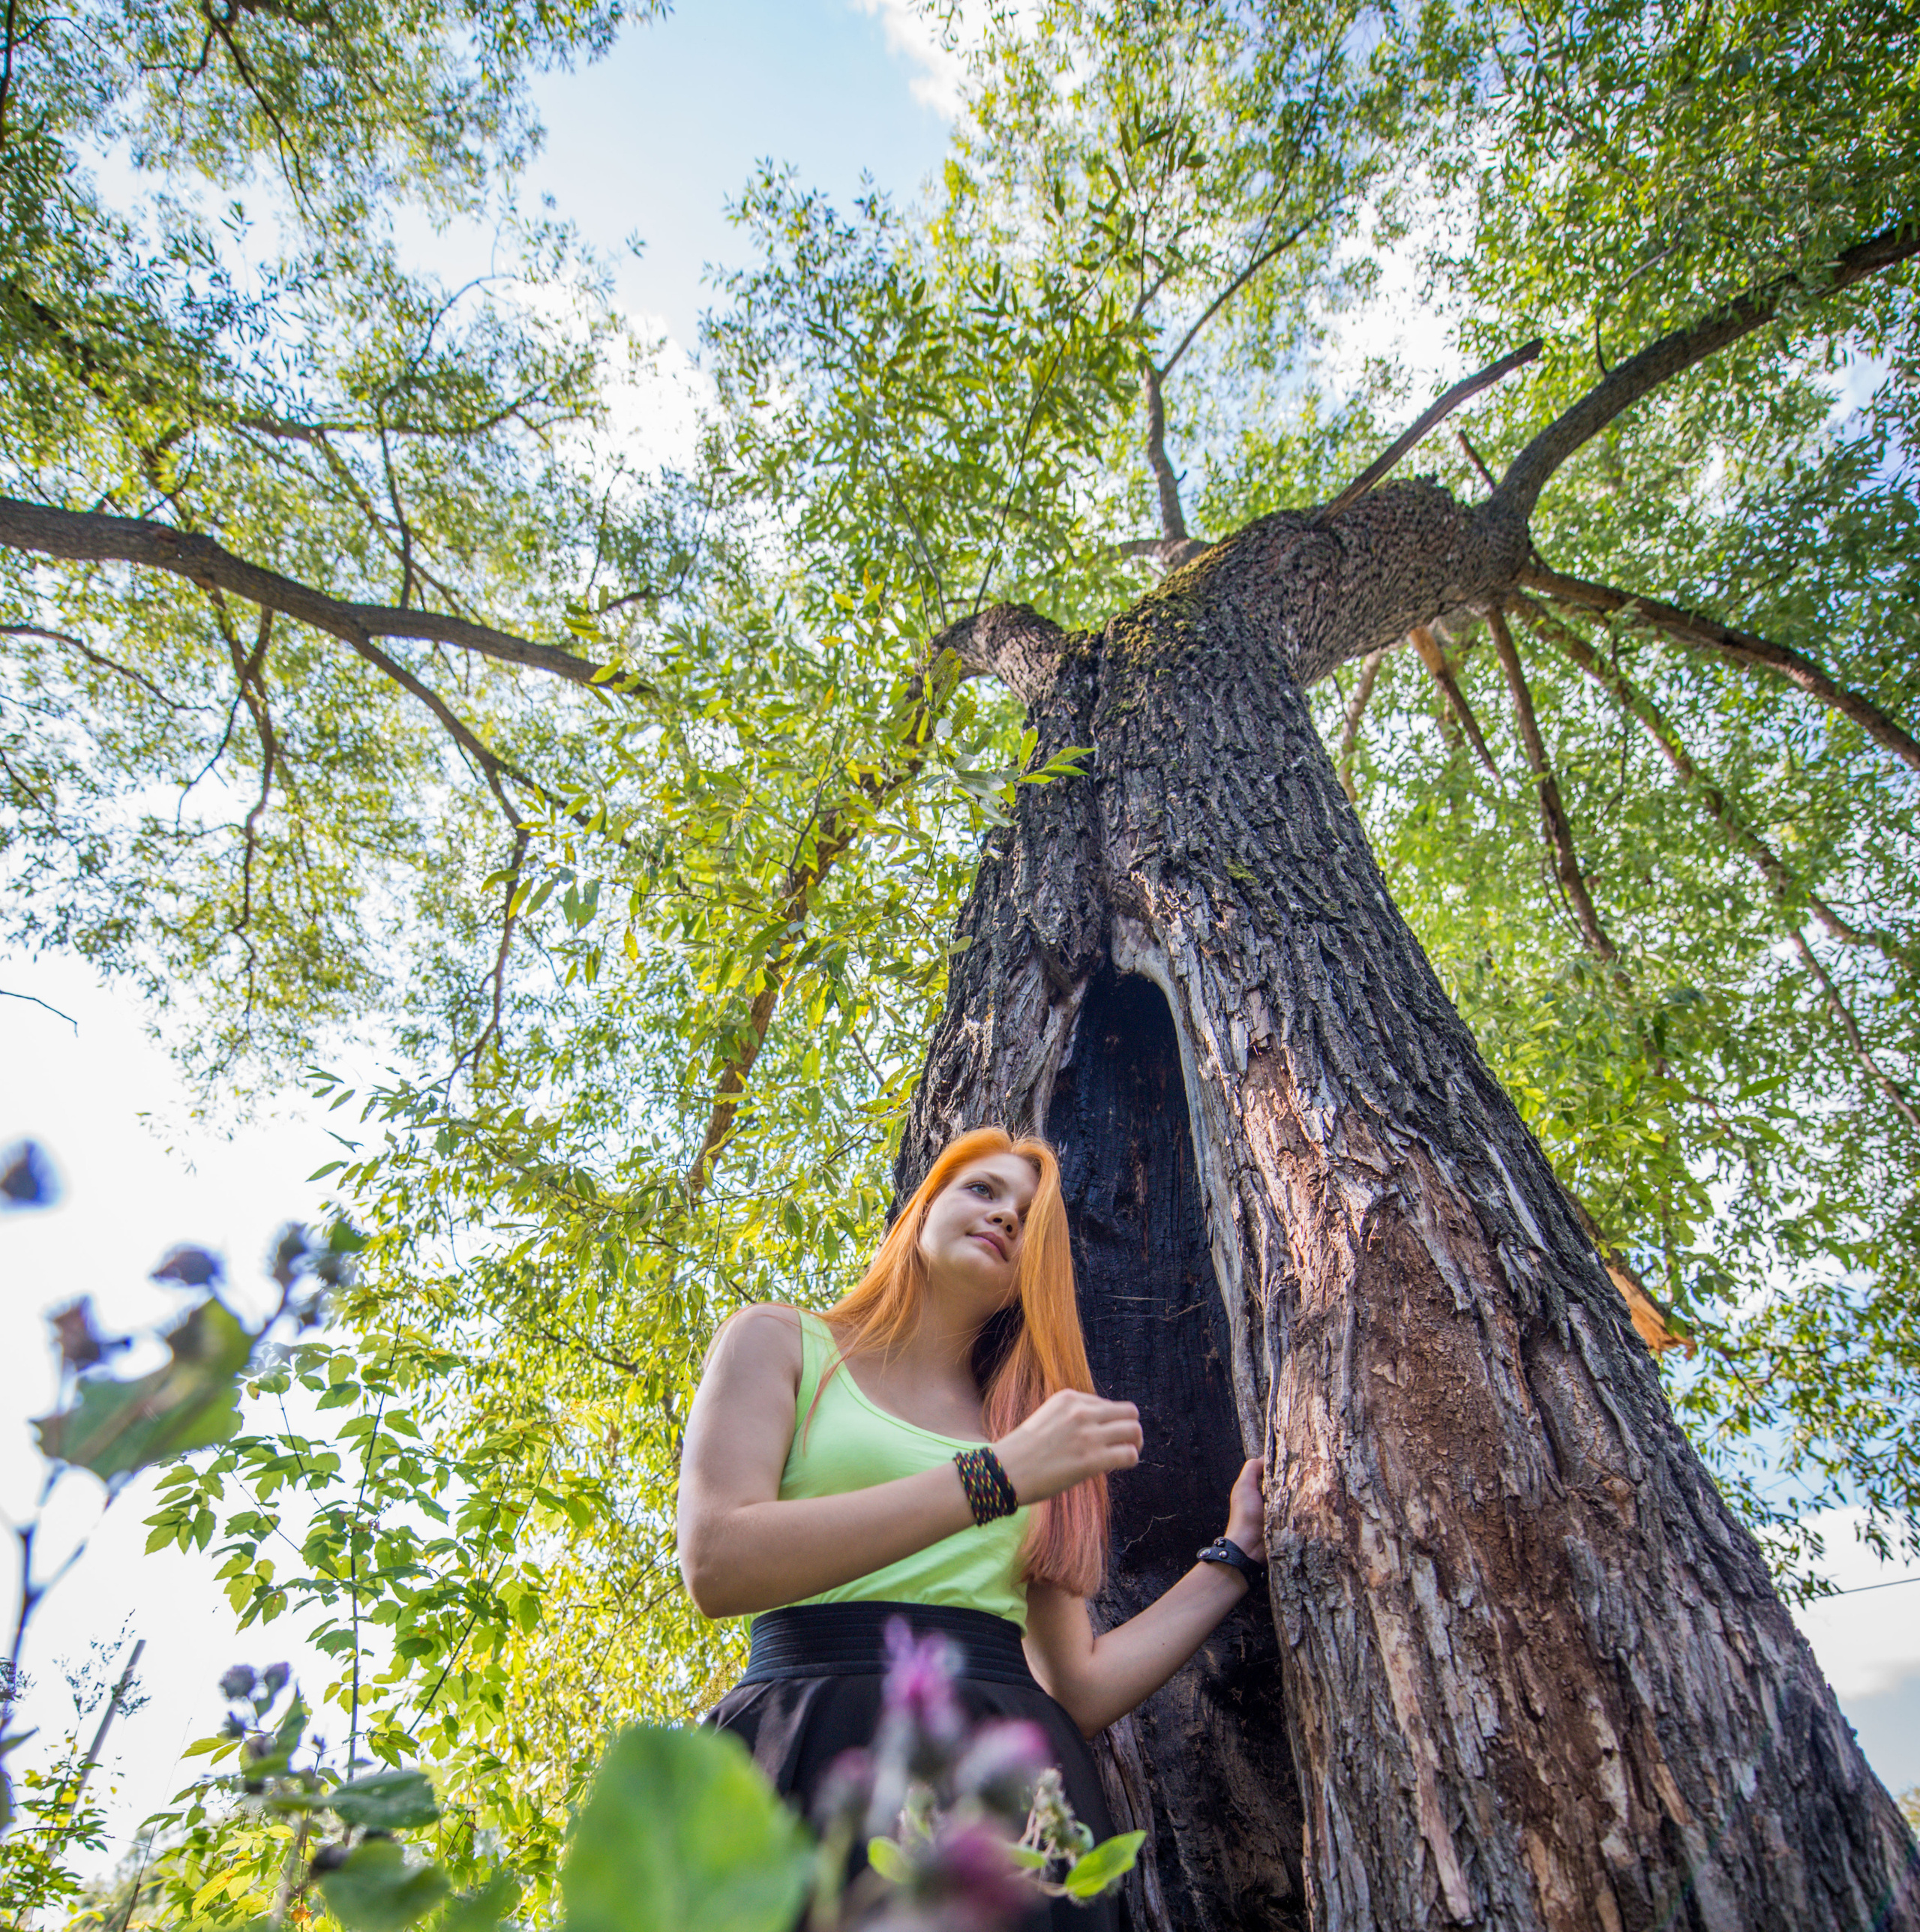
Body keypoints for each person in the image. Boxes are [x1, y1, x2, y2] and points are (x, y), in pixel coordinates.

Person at [677, 1125, 1268, 1930]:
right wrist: (993, 1478)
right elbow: (717, 1562)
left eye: (1029, 1217)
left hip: (1005, 1789)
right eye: (981, 1189)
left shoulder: (1032, 1436)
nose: (1004, 1217)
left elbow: (1077, 1685)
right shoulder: (779, 1341)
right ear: (921, 1210)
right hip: (801, 1741)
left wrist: (1231, 1560)